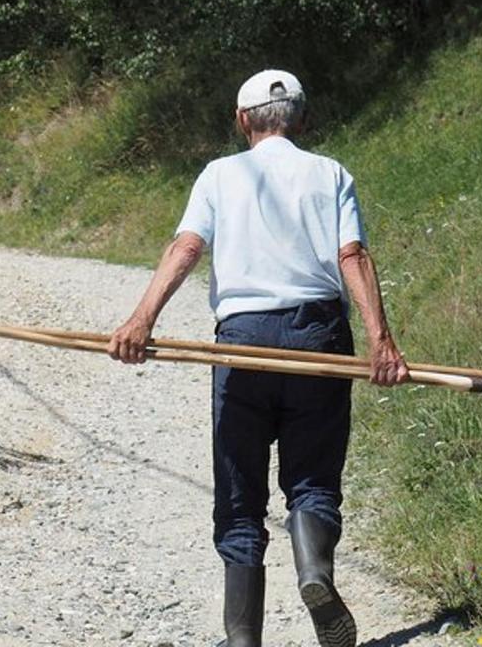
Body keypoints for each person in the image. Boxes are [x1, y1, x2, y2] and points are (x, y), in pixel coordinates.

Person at [107, 69, 409, 647]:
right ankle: (314, 572)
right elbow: (352, 254)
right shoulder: (330, 172)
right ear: (302, 119)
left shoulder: (220, 175)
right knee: (313, 479)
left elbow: (188, 246)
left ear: (243, 120)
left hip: (242, 341)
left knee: (240, 494)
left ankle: (243, 641)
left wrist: (141, 320)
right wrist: (381, 342)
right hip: (318, 338)